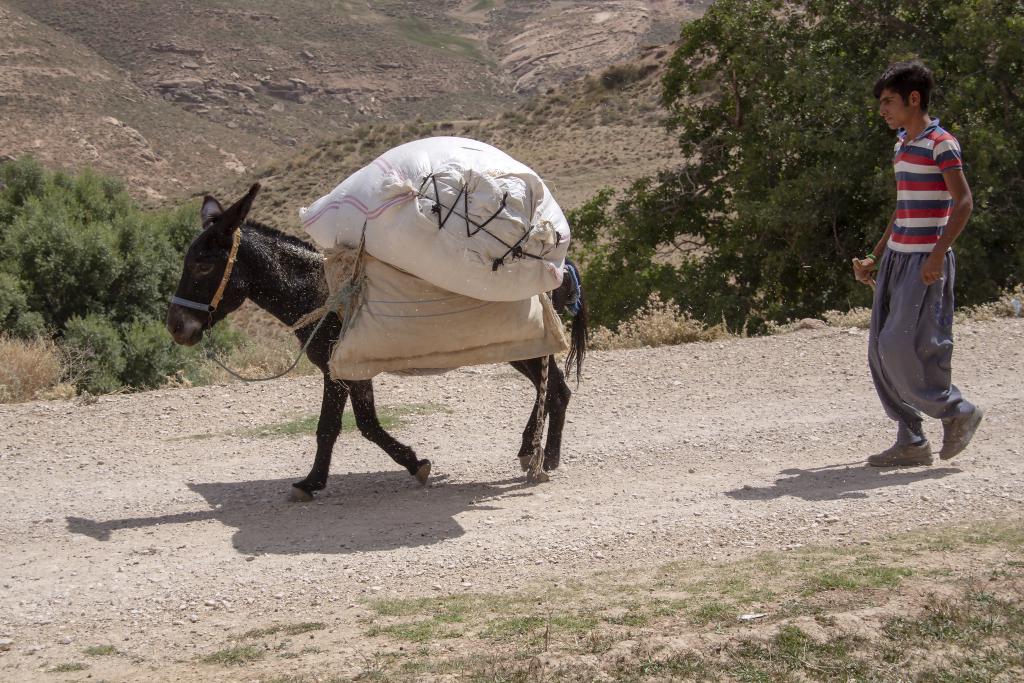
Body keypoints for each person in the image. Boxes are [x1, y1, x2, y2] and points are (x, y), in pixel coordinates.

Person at [851, 60, 983, 467]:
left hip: (924, 261)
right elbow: (903, 209)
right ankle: (910, 438)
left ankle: (957, 410)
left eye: (888, 101)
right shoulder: (902, 144)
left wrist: (938, 253)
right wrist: (875, 256)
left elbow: (963, 202)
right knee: (878, 349)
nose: (882, 110)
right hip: (896, 258)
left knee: (904, 345)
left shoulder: (941, 142)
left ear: (913, 98)